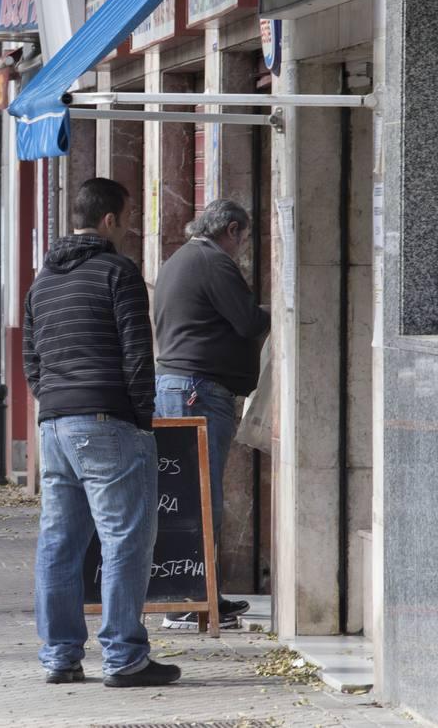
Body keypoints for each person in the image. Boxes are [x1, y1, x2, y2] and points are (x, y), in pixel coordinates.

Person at [23, 178, 179, 688]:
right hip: (108, 420)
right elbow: (138, 352)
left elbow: (32, 357)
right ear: (110, 219)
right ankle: (124, 657)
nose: (132, 221)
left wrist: (51, 405)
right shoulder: (118, 270)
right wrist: (141, 419)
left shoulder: (41, 281)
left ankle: (60, 657)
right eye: (130, 212)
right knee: (124, 539)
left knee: (59, 542)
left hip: (55, 424)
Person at [153, 197, 271, 630]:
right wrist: (281, 314)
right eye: (244, 239)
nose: (242, 249)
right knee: (201, 496)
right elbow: (246, 321)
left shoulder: (179, 259)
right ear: (233, 230)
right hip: (197, 390)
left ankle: (198, 595)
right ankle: (189, 601)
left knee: (189, 494)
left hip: (178, 386)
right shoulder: (213, 262)